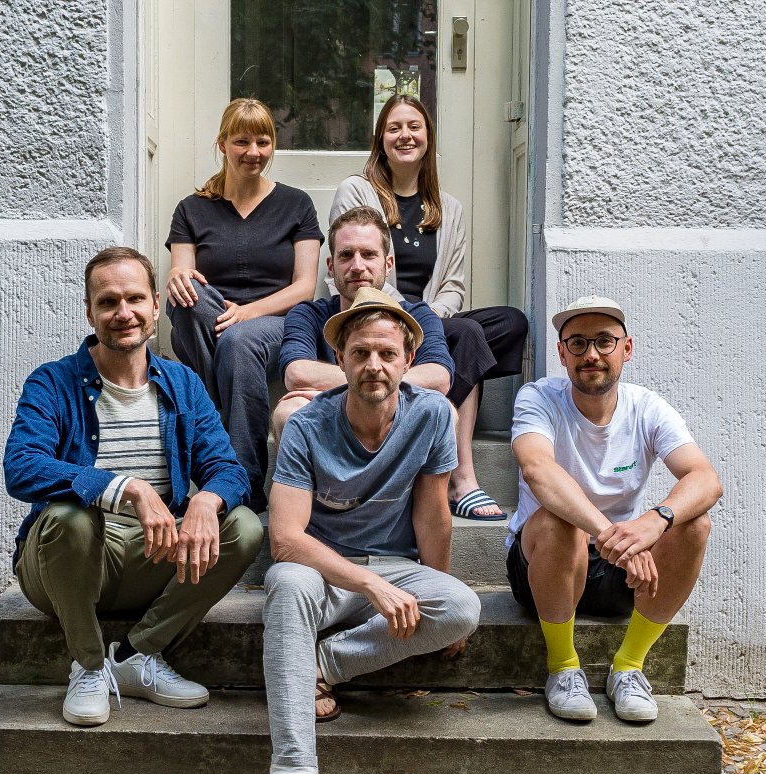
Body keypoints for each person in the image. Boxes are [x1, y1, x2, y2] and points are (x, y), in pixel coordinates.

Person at [4, 246, 263, 727]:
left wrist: (208, 497)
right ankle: (87, 665)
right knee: (67, 516)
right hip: (70, 563)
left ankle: (138, 656)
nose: (123, 313)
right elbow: (21, 467)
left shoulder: (182, 383)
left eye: (134, 299)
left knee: (244, 527)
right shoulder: (53, 383)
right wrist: (127, 488)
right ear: (90, 312)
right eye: (108, 302)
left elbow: (229, 468)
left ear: (156, 305)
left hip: (155, 556)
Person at [262, 283, 481, 774]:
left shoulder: (431, 412)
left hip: (395, 563)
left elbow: (434, 514)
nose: (374, 366)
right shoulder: (307, 424)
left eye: (387, 353)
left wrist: (438, 585)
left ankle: (324, 665)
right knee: (285, 583)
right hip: (322, 570)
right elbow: (286, 539)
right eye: (360, 353)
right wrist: (369, 584)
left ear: (409, 359)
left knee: (462, 606)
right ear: (340, 360)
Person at [507, 296, 722, 722]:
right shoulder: (538, 397)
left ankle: (628, 667)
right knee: (558, 519)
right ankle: (563, 668)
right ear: (562, 353)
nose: (592, 355)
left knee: (693, 524)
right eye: (578, 343)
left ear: (626, 349)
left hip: (618, 572)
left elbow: (705, 478)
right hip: (542, 566)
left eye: (604, 342)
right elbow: (537, 469)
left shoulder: (648, 408)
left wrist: (653, 523)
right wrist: (616, 536)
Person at [329, 93, 528, 521]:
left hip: (433, 317)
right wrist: (412, 317)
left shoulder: (447, 208)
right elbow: (356, 271)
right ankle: (462, 478)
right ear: (380, 139)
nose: (405, 135)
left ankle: (417, 409)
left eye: (414, 127)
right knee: (469, 339)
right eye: (395, 127)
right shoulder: (357, 191)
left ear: (427, 137)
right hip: (379, 316)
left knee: (510, 323)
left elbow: (454, 285)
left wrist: (432, 317)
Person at [165, 98, 324, 512]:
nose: (254, 152)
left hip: (277, 321)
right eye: (242, 141)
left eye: (263, 141)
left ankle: (245, 483)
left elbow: (305, 287)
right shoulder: (191, 209)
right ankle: (220, 409)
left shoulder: (296, 204)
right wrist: (178, 277)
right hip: (212, 318)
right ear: (222, 144)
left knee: (239, 340)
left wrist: (248, 312)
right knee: (185, 298)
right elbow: (183, 276)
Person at [272, 205, 454, 444]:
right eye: (346, 255)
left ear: (388, 265)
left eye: (368, 254)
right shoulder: (308, 314)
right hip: (331, 420)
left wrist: (348, 387)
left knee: (447, 410)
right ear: (330, 265)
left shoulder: (417, 314)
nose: (357, 266)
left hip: (397, 418)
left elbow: (438, 377)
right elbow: (297, 374)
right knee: (288, 411)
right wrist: (379, 385)